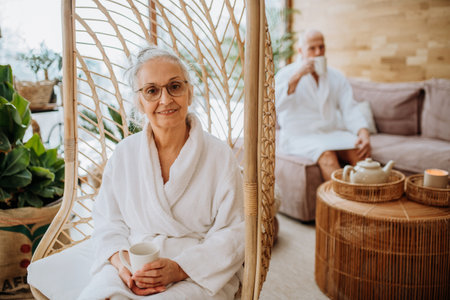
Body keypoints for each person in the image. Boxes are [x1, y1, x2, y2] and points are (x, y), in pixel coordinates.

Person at [77, 46, 245, 299]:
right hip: (133, 262)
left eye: (175, 86)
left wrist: (180, 268)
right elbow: (107, 221)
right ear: (139, 101)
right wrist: (122, 266)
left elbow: (236, 231)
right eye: (152, 91)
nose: (165, 100)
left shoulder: (219, 155)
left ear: (189, 92)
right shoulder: (124, 154)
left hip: (199, 269)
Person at [275, 29, 371, 181]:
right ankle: (343, 202)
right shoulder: (287, 75)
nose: (318, 52)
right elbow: (274, 107)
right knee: (327, 155)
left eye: (321, 47)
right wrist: (297, 77)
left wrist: (363, 132)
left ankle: (365, 198)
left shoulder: (335, 76)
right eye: (312, 48)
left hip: (330, 132)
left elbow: (349, 107)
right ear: (301, 51)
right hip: (299, 136)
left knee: (360, 153)